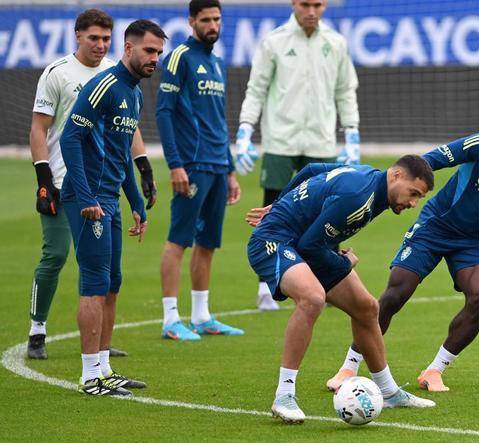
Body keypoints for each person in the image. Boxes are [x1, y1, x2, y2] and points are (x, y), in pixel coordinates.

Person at [326, 105, 479, 394]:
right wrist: (390, 184)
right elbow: (430, 161)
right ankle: (349, 367)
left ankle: (435, 370)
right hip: (436, 225)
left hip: (475, 242)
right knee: (397, 291)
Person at [245, 156, 437, 423]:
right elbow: (310, 245)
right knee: (313, 299)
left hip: (304, 244)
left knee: (367, 308)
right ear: (396, 176)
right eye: (413, 193)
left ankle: (389, 392)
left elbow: (312, 169)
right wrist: (344, 263)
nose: (413, 203)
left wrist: (278, 204)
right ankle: (284, 395)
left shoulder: (370, 177)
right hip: (274, 240)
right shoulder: (358, 198)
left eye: (419, 198)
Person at [27, 8, 157, 360]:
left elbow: (124, 134)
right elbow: (41, 129)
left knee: (106, 275)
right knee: (56, 255)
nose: (100, 45)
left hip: (103, 185)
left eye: (105, 39)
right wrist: (44, 179)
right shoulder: (57, 72)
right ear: (77, 36)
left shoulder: (119, 77)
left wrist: (143, 169)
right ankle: (38, 329)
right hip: (65, 181)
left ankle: (101, 350)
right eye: (93, 38)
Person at [59, 20, 166, 396]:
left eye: (158, 52)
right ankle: (90, 376)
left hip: (108, 200)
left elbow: (119, 156)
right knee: (94, 282)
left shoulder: (134, 94)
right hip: (87, 199)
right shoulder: (104, 86)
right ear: (129, 48)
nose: (154, 58)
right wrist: (86, 197)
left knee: (112, 281)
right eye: (149, 50)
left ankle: (104, 368)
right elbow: (70, 138)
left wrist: (136, 202)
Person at [234, 0, 361, 311]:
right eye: (305, 4)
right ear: (294, 3)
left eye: (317, 4)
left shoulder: (336, 43)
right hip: (280, 141)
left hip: (321, 142)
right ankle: (266, 286)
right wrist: (245, 130)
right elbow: (256, 89)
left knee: (329, 212)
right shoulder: (274, 41)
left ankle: (329, 280)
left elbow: (345, 91)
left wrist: (352, 133)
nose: (311, 11)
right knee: (274, 210)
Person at [155, 0, 243, 341]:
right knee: (178, 240)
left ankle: (202, 316)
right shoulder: (180, 57)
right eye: (206, 19)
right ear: (191, 21)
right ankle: (170, 320)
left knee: (207, 243)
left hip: (218, 165)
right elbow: (164, 112)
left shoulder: (217, 62)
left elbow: (218, 119)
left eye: (217, 19)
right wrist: (175, 164)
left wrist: (230, 169)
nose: (213, 25)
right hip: (192, 165)